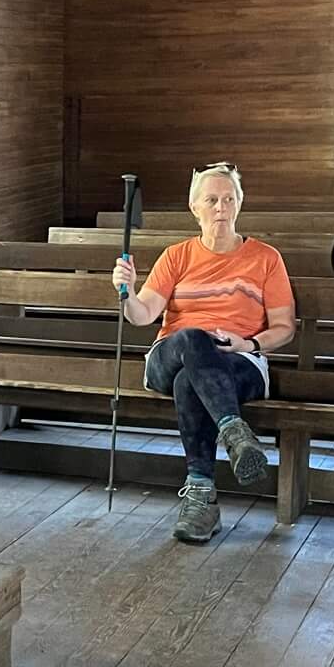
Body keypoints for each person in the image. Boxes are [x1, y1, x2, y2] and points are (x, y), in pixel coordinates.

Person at [112, 162, 295, 545]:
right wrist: (126, 292)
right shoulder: (177, 256)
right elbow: (143, 315)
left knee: (189, 381)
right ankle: (234, 431)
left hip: (239, 361)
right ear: (195, 208)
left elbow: (284, 327)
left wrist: (249, 344)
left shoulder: (266, 258)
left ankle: (201, 498)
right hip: (172, 354)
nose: (220, 208)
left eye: (229, 199)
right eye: (211, 200)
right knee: (194, 340)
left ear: (240, 205)